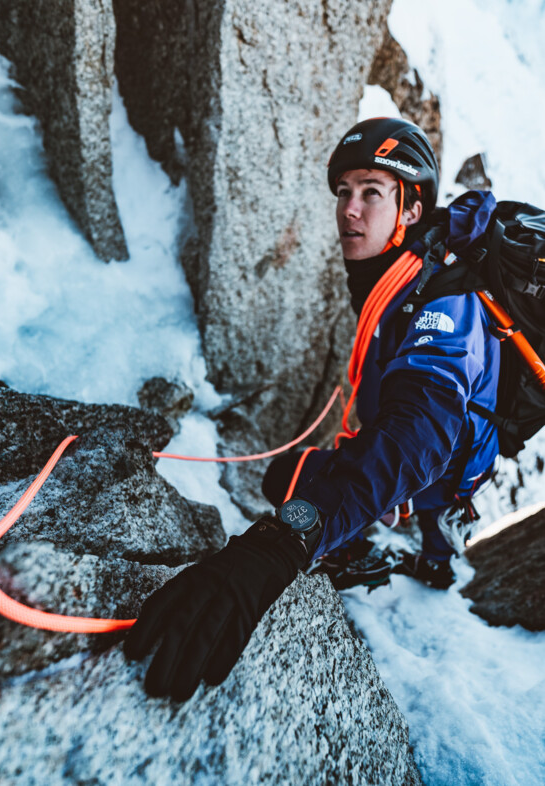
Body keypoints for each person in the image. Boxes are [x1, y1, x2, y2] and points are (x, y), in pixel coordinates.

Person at [124, 117, 501, 701]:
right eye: (345, 191)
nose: (350, 208)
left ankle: (429, 554)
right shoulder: (395, 281)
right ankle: (410, 544)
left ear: (409, 210)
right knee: (323, 482)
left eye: (372, 192)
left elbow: (420, 434)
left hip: (443, 461)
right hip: (427, 452)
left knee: (342, 490)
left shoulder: (444, 298)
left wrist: (279, 544)